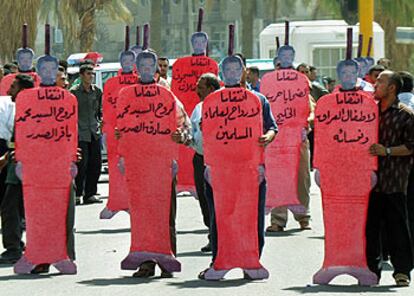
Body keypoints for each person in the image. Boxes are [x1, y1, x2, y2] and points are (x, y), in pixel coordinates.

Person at [197, 55, 278, 279]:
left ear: (243, 72)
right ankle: (219, 260)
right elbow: (207, 131)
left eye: (236, 69)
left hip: (251, 169)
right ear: (222, 73)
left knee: (252, 216)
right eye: (227, 70)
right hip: (221, 170)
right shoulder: (212, 101)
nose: (232, 73)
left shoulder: (258, 100)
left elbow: (272, 127)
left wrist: (267, 137)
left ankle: (251, 261)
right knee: (220, 216)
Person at [128, 51, 191, 278]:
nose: (146, 69)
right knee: (142, 214)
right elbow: (121, 130)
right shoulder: (128, 96)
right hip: (138, 166)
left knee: (165, 214)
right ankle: (146, 262)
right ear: (136, 68)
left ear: (155, 68)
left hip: (163, 165)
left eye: (150, 65)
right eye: (142, 65)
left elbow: (186, 127)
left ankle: (167, 259)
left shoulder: (167, 96)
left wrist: (180, 136)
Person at [367, 70, 414, 287]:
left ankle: (402, 271)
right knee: (371, 229)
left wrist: (386, 151)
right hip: (370, 183)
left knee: (397, 228)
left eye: (380, 82)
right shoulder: (368, 113)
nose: (375, 85)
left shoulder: (406, 115)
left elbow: (411, 147)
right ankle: (371, 272)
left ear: (392, 88)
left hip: (395, 182)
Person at [0, 74, 34, 264]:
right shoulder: (20, 108)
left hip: (24, 165)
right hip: (17, 162)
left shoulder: (29, 109)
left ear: (22, 90)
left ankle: (13, 247)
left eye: (13, 87)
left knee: (10, 206)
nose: (8, 91)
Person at [188, 73, 221, 253]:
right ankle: (212, 235)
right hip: (200, 159)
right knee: (205, 199)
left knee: (219, 200)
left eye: (200, 87)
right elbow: (193, 133)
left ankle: (223, 238)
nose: (196, 90)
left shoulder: (223, 105)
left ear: (210, 89)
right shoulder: (198, 108)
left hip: (220, 160)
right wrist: (185, 139)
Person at [70, 64, 103, 205]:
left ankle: (90, 193)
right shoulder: (73, 92)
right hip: (80, 133)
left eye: (93, 74)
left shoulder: (97, 91)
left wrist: (101, 121)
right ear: (82, 75)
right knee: (81, 165)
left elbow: (100, 110)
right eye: (89, 73)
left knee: (95, 164)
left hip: (94, 132)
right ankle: (77, 194)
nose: (91, 76)